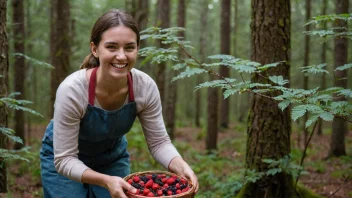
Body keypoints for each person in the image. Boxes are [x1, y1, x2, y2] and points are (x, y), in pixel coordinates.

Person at [40, 9, 199, 198]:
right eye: (112, 47)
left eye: (129, 47)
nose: (121, 56)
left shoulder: (144, 87)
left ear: (137, 48)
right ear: (95, 49)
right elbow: (65, 159)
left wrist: (181, 165)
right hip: (64, 157)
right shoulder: (73, 90)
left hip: (111, 157)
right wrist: (106, 180)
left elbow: (158, 142)